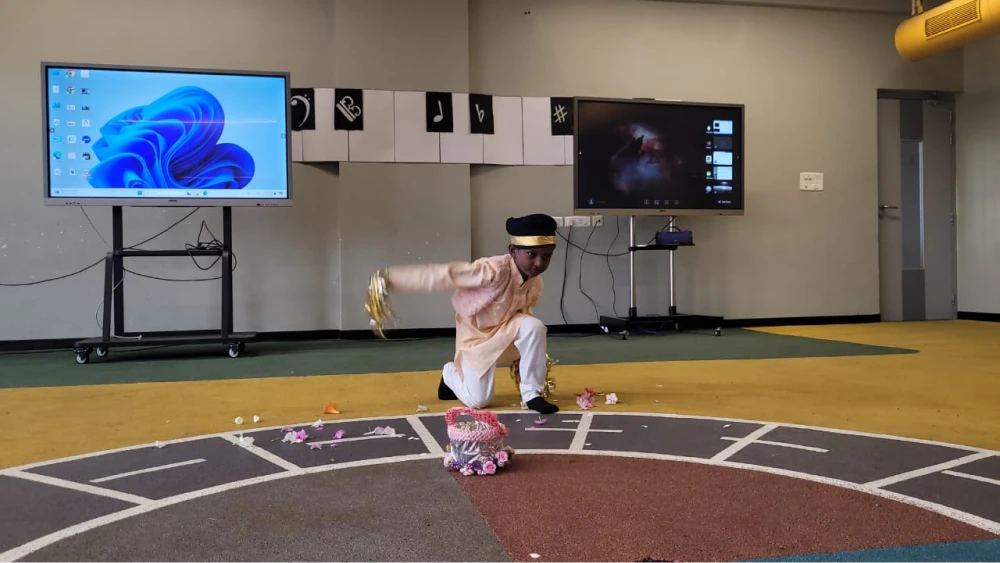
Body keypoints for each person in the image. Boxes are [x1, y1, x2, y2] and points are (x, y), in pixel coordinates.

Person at [366, 214, 560, 415]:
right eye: (531, 254)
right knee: (479, 401)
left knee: (534, 326)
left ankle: (531, 394)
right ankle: (450, 374)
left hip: (506, 330)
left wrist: (526, 356)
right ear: (513, 251)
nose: (539, 263)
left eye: (546, 257)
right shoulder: (492, 270)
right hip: (476, 339)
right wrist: (389, 279)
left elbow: (524, 321)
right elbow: (443, 276)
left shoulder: (535, 282)